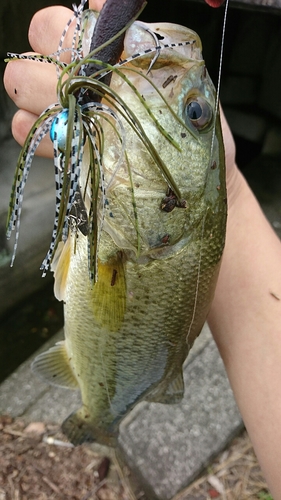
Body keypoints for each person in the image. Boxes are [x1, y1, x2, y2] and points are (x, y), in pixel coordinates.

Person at [4, 1, 281, 497]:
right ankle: (102, 416)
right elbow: (216, 206)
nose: (194, 108)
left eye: (194, 113)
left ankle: (99, 418)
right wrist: (229, 188)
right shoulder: (193, 211)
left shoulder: (168, 226)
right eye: (198, 113)